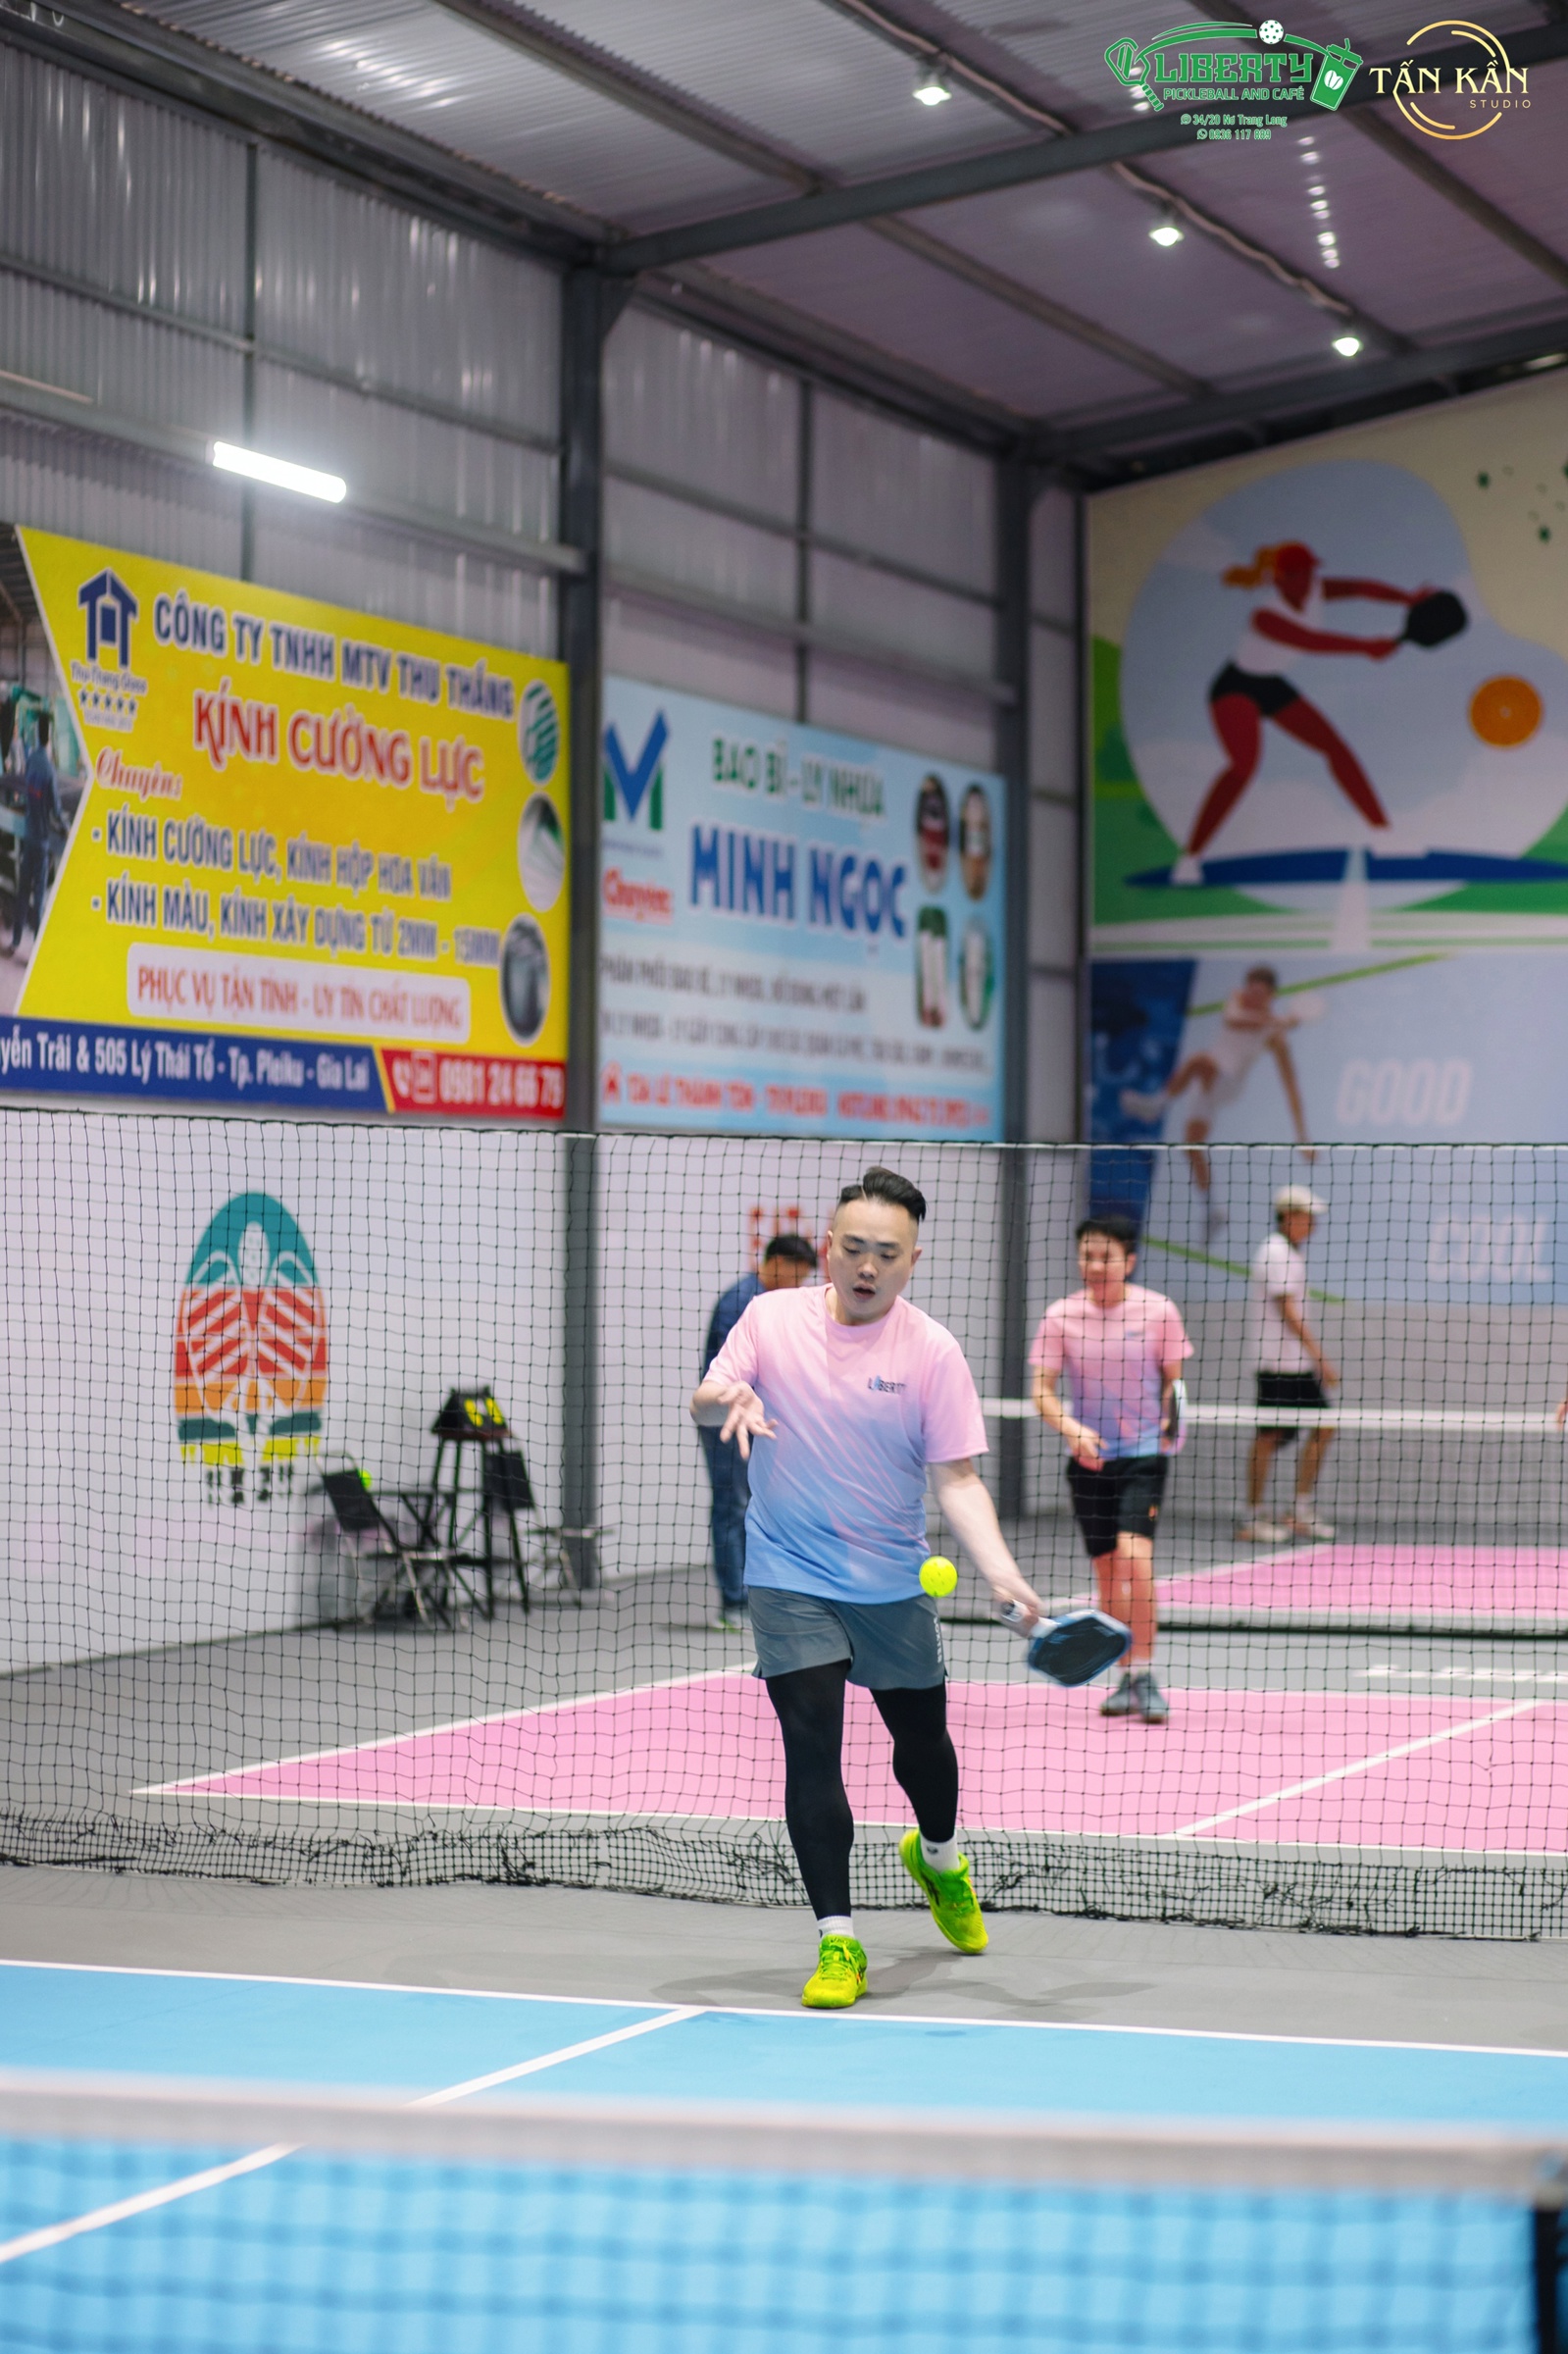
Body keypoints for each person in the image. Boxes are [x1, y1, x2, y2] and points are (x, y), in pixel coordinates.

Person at [690, 1166, 1044, 2013]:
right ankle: (837, 1939)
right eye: (852, 1248)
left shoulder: (931, 1352)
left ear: (911, 1261)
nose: (867, 1265)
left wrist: (1000, 1570)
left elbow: (956, 1478)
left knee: (922, 1746)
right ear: (828, 1249)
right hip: (787, 1572)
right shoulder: (769, 1318)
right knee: (810, 1743)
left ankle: (938, 1856)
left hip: (889, 1580)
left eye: (886, 1253)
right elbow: (706, 1399)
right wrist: (720, 1397)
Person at [1170, 540, 1426, 886]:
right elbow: (1310, 641)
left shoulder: (1317, 589)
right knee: (1243, 767)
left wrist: (1407, 598)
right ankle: (1190, 859)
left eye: (1309, 571)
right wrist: (1366, 647)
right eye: (1296, 574)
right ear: (1278, 579)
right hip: (1235, 686)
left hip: (1270, 684)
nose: (1306, 580)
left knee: (1335, 748)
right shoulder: (1265, 617)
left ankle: (1384, 836)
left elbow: (1361, 588)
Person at [1031, 1213, 1191, 1727]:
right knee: (1106, 1574)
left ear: (1129, 1260)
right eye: (1087, 1255)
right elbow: (1041, 1390)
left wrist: (1170, 1420)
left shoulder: (1159, 1311)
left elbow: (1174, 1384)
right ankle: (1124, 1675)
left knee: (1135, 1560)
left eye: (1106, 1256)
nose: (1095, 1265)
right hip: (1089, 1461)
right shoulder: (1060, 1316)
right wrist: (1071, 1429)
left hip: (1142, 1457)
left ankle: (1145, 1672)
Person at [1120, 967, 1314, 1237]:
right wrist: (1281, 1021)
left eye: (1259, 992)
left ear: (1271, 995)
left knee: (1198, 1060)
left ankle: (1155, 1106)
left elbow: (1291, 1088)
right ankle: (1212, 1211)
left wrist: (1303, 1138)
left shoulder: (1274, 1037)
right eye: (1249, 989)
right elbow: (1235, 1019)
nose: (1251, 996)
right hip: (1204, 1085)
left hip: (1227, 1084)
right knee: (1191, 1146)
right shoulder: (1237, 1002)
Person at [698, 1232, 818, 1632]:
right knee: (732, 1506)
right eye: (797, 1274)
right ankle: (735, 1603)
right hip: (729, 1424)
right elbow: (729, 1378)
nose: (799, 1284)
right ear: (779, 1263)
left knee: (754, 1506)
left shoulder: (773, 1303)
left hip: (758, 1422)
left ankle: (756, 1596)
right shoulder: (741, 1303)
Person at [1239, 1185, 1338, 1544]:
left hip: (1296, 1366)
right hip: (1276, 1364)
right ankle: (1252, 1517)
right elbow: (1287, 1311)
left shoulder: (1292, 1253)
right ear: (1289, 1216)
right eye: (1308, 1217)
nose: (1313, 1224)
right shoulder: (1276, 1251)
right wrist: (1320, 1357)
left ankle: (1299, 1509)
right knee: (1268, 1437)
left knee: (1325, 1425)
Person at [15, 708, 65, 959]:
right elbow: (56, 808)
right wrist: (65, 826)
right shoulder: (49, 769)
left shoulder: (32, 759)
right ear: (50, 737)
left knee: (23, 891)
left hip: (28, 835)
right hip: (43, 841)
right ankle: (35, 949)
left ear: (37, 734)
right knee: (40, 896)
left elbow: (27, 789)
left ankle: (15, 940)